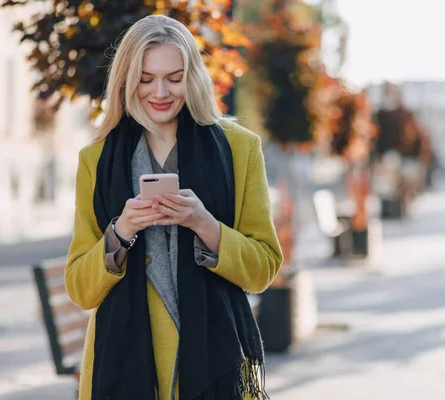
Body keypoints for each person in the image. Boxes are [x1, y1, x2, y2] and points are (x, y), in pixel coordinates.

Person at [65, 15, 283, 400]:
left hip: (217, 368)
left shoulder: (239, 148)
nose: (160, 92)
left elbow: (263, 269)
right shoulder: (96, 159)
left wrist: (205, 225)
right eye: (146, 79)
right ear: (126, 81)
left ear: (193, 78)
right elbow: (81, 290)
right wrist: (121, 232)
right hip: (125, 368)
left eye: (174, 77)